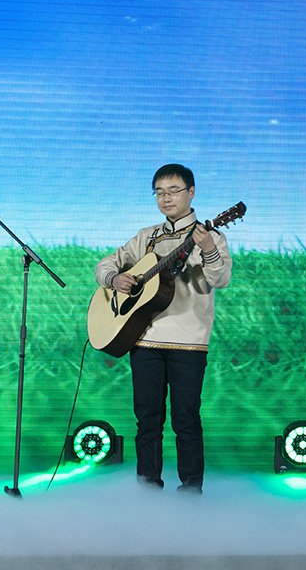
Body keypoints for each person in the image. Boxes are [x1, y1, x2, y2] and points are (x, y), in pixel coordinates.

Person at [94, 164, 232, 493]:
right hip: (144, 338)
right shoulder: (147, 236)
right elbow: (105, 264)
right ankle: (148, 490)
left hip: (189, 341)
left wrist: (208, 249)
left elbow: (221, 279)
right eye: (159, 192)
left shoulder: (211, 236)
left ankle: (191, 491)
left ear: (191, 193)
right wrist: (115, 278)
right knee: (147, 420)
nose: (166, 198)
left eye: (173, 191)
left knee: (186, 419)